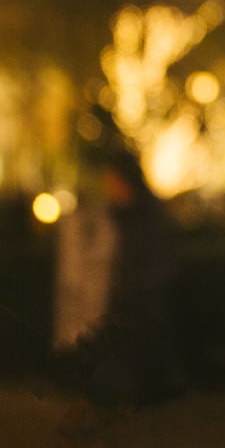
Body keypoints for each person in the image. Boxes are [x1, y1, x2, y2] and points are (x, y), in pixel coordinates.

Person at [78, 127, 182, 407]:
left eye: (113, 182)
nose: (109, 188)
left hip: (142, 296)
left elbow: (149, 258)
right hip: (133, 295)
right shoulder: (119, 216)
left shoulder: (139, 216)